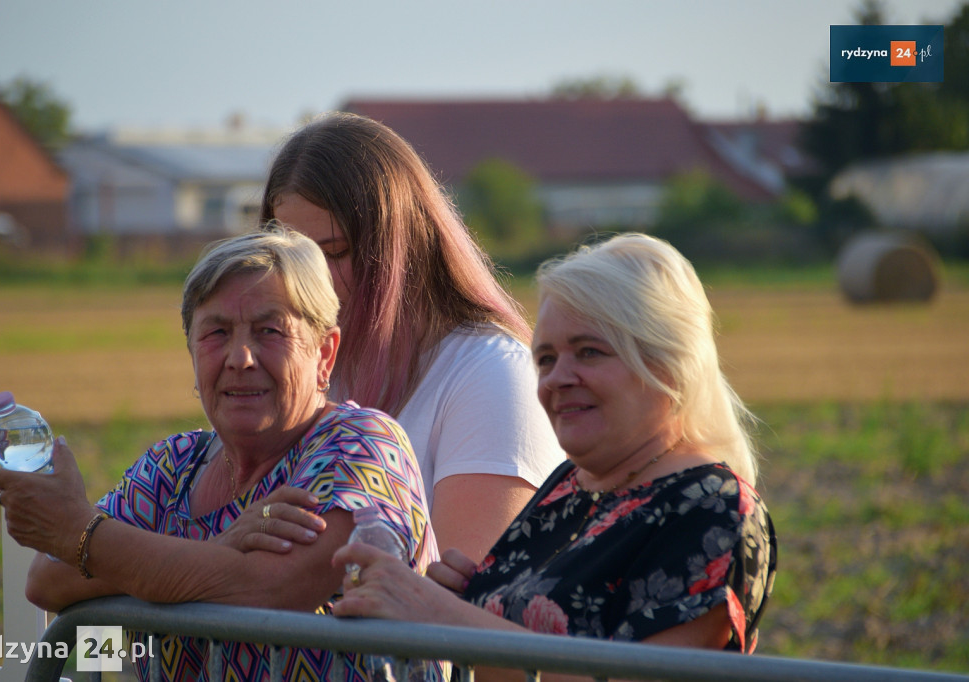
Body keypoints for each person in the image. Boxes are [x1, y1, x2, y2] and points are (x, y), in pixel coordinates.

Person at [0, 227, 443, 682]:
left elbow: (272, 585)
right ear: (192, 353)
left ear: (324, 354)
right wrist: (216, 549)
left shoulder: (358, 444)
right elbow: (48, 579)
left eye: (270, 331)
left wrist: (83, 535)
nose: (240, 357)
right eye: (216, 333)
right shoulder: (172, 467)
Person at [331, 233, 777, 672]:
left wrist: (447, 617)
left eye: (589, 352)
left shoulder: (711, 507)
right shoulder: (568, 487)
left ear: (667, 363)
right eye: (545, 358)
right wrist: (462, 599)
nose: (557, 378)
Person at [244, 111, 564, 562]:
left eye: (335, 253)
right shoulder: (299, 371)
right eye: (292, 256)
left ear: (398, 247)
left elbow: (462, 604)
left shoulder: (489, 374)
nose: (309, 279)